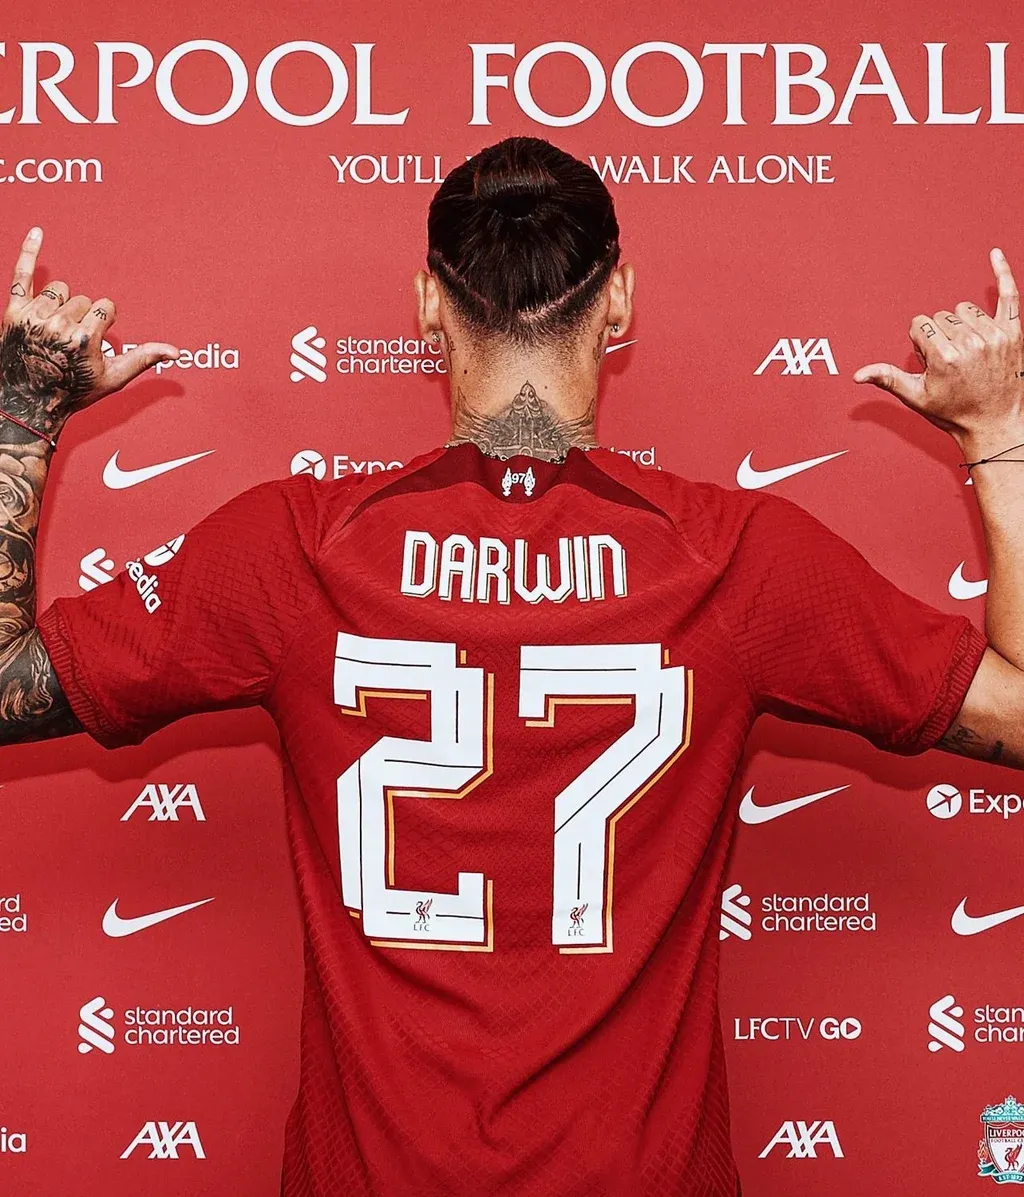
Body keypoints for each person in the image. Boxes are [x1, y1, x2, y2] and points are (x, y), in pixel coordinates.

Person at [1, 136, 1023, 1197]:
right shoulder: (733, 557)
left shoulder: (294, 548)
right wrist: (997, 429)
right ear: (618, 301)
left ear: (428, 305)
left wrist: (24, 412)